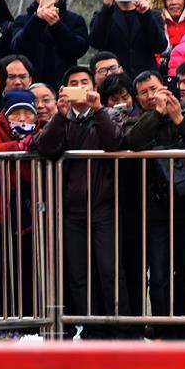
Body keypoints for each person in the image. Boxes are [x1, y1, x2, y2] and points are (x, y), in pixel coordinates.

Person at [35, 65, 131, 338]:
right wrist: (60, 117)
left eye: (84, 82)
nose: (80, 86)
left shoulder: (109, 114)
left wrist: (99, 109)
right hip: (70, 209)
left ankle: (121, 330)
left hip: (104, 206)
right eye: (73, 82)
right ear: (63, 90)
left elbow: (114, 143)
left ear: (94, 88)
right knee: (77, 274)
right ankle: (91, 329)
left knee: (110, 271)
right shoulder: (62, 118)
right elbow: (44, 148)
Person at [125, 71, 185, 336]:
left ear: (166, 87)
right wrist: (156, 114)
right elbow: (134, 141)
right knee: (158, 272)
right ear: (137, 97)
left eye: (154, 89)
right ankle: (163, 325)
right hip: (154, 208)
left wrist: (178, 118)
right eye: (145, 92)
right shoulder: (136, 118)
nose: (151, 96)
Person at [0, 89, 43, 319]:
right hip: (0, 210)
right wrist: (18, 147)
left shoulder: (41, 129)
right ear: (6, 115)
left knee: (30, 269)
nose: (23, 119)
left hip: (32, 208)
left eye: (28, 113)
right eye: (17, 113)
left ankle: (32, 322)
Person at [11, 0, 89, 89]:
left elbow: (79, 50)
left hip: (64, 84)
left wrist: (56, 25)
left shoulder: (75, 20)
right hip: (31, 84)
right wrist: (37, 19)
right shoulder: (22, 20)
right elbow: (18, 48)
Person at [90, 0, 167, 76]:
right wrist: (106, 7)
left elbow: (160, 46)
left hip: (146, 81)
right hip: (114, 81)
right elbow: (96, 42)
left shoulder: (152, 15)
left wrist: (145, 15)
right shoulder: (103, 15)